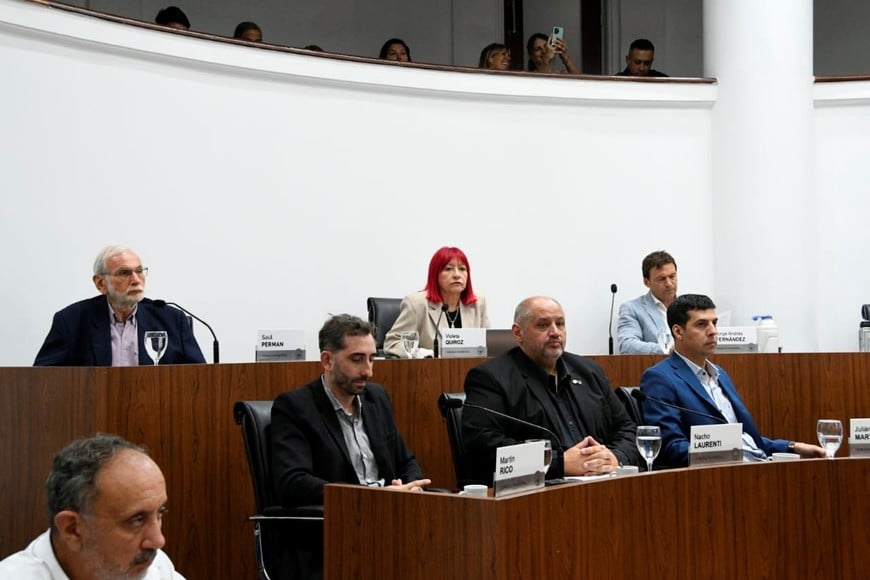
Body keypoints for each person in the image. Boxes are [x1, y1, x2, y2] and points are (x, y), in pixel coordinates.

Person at [461, 296, 641, 485]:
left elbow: (627, 428)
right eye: (543, 325)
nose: (555, 332)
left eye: (560, 324)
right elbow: (484, 447)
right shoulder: (491, 378)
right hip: (536, 494)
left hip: (603, 485)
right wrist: (558, 463)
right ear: (517, 333)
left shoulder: (589, 371)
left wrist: (615, 457)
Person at [639, 294, 826, 468]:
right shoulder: (661, 378)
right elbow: (670, 448)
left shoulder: (720, 374)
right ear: (678, 332)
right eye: (702, 324)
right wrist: (726, 453)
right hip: (718, 475)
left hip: (754, 464)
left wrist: (792, 447)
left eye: (714, 322)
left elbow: (744, 439)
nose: (713, 331)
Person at [271, 313, 430, 507]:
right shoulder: (295, 407)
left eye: (372, 359)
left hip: (390, 511)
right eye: (357, 359)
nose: (368, 371)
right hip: (340, 520)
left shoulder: (376, 398)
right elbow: (294, 483)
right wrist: (371, 496)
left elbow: (407, 462)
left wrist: (410, 486)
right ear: (327, 361)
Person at [0, 434, 184, 579]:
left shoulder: (154, 568)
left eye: (159, 513)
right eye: (136, 520)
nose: (158, 541)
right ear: (72, 529)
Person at [34, 245, 206, 366]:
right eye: (124, 273)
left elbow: (198, 379)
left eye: (139, 271)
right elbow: (44, 379)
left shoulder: (172, 320)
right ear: (101, 283)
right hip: (96, 413)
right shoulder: (71, 321)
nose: (136, 280)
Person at [384, 246, 489, 358]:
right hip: (431, 373)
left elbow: (490, 345)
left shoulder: (478, 303)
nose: (457, 275)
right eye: (448, 269)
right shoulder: (416, 304)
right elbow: (392, 343)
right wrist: (425, 355)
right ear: (435, 274)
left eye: (462, 269)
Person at [617, 250, 678, 354]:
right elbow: (627, 345)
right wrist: (668, 350)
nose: (669, 283)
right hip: (656, 367)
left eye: (672, 276)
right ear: (646, 282)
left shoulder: (691, 308)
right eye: (661, 279)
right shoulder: (632, 309)